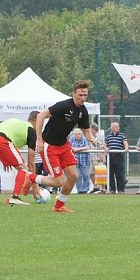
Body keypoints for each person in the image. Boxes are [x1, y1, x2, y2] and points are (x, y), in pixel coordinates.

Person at [29, 80, 97, 213]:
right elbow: (41, 115)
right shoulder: (64, 105)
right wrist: (39, 140)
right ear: (73, 94)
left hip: (64, 145)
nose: (83, 98)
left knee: (73, 176)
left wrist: (91, 139)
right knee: (59, 181)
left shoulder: (83, 111)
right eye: (80, 95)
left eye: (85, 95)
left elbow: (86, 130)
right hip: (49, 145)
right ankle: (30, 178)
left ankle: (58, 206)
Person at [104, 121, 128, 193]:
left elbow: (125, 142)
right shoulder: (108, 136)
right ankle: (112, 189)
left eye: (118, 126)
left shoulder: (122, 135)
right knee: (110, 174)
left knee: (119, 174)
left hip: (118, 156)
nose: (118, 128)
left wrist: (126, 148)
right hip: (110, 156)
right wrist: (105, 148)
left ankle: (121, 189)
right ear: (112, 128)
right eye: (116, 126)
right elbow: (104, 144)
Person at [69, 128, 92, 194]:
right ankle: (79, 190)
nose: (77, 135)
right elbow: (69, 147)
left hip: (85, 160)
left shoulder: (84, 139)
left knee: (86, 175)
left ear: (81, 134)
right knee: (78, 176)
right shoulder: (72, 139)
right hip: (75, 161)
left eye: (79, 134)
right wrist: (74, 149)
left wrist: (78, 149)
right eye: (76, 134)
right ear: (74, 134)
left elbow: (88, 147)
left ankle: (85, 189)